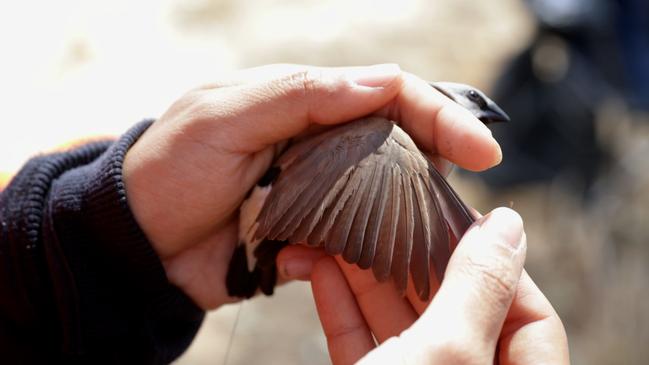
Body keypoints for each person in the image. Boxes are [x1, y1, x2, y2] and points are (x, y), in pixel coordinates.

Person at [0, 64, 569, 364]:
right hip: (256, 222)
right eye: (473, 102)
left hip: (242, 238)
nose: (485, 112)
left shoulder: (392, 141)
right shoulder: (384, 135)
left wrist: (92, 241)